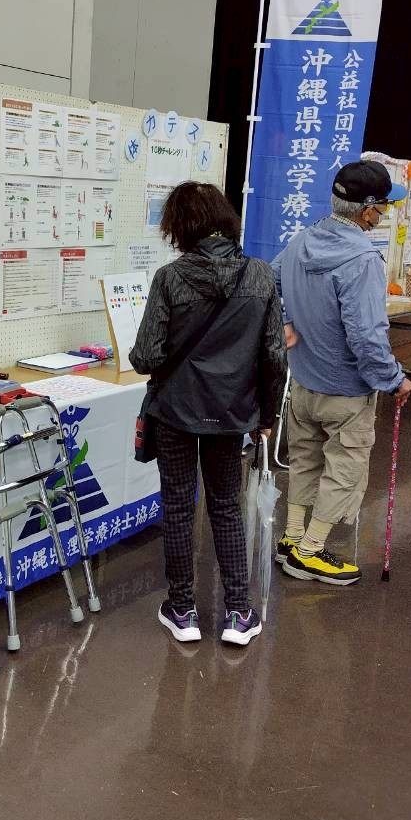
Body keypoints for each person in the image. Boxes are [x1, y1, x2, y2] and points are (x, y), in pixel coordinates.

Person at [129, 181, 287, 647]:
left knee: (178, 508)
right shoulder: (259, 275)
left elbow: (146, 356)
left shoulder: (170, 278)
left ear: (179, 226)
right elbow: (274, 356)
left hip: (175, 412)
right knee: (225, 506)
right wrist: (267, 416)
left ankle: (182, 610)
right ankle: (238, 612)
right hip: (232, 413)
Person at [271, 160, 411, 587]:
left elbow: (268, 283)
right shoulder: (363, 259)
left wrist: (284, 321)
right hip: (346, 391)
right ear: (369, 210)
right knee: (343, 470)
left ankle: (292, 537)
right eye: (385, 205)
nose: (384, 213)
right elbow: (366, 335)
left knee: (304, 460)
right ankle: (310, 552)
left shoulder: (301, 241)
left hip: (303, 382)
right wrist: (394, 379)